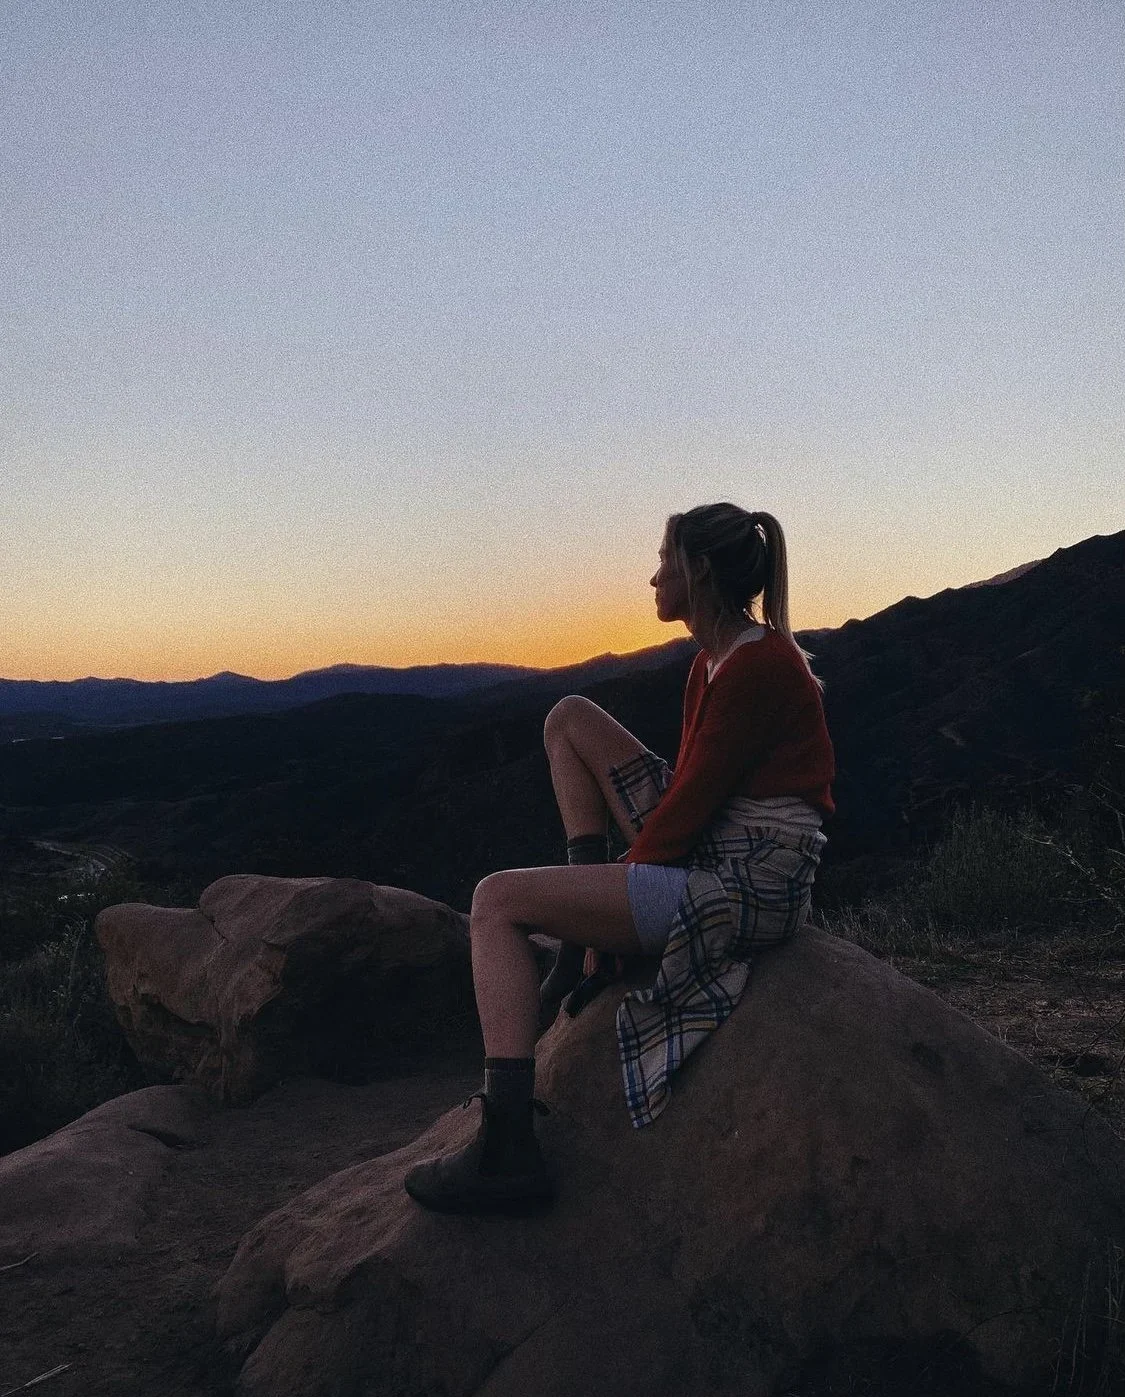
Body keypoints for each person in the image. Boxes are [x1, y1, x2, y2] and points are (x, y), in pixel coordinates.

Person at [404, 503, 835, 1214]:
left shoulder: (757, 668)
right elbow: (692, 798)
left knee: (495, 901)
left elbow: (690, 808)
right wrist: (602, 899)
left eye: (665, 561)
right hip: (720, 840)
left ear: (699, 570)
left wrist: (609, 900)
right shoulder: (711, 664)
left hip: (752, 878)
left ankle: (507, 1146)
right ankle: (579, 944)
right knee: (568, 716)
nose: (653, 577)